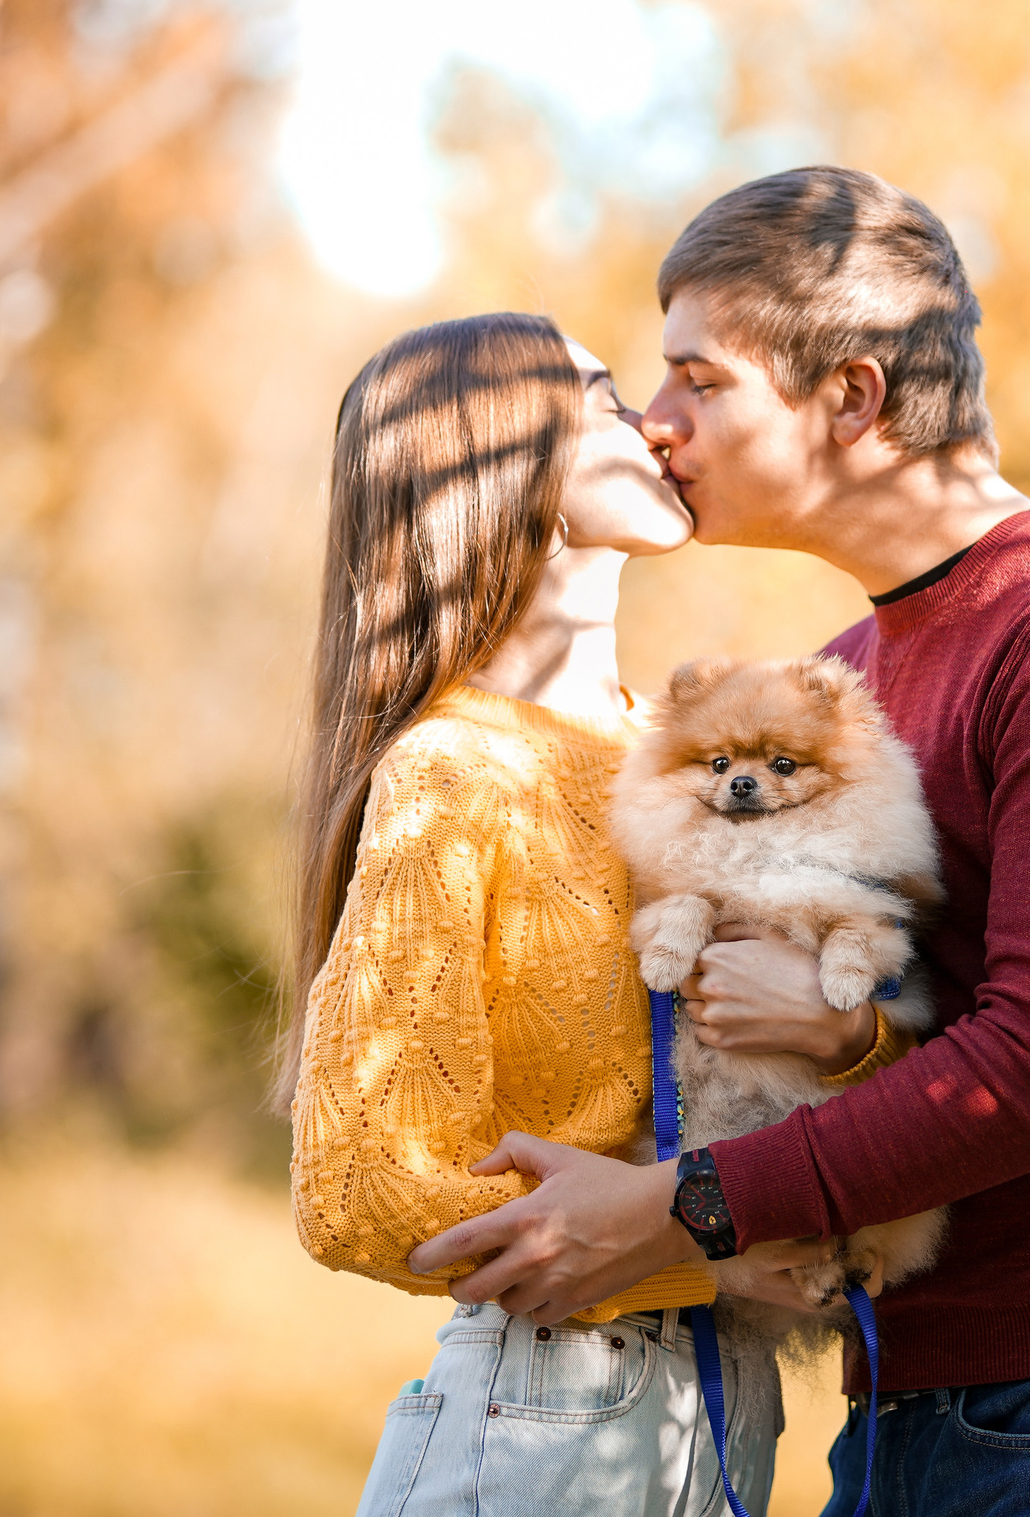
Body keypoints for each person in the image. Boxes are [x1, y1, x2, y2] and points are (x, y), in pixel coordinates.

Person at [405, 170, 1030, 1517]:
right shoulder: (849, 673)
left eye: (700, 377)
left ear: (852, 399)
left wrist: (676, 1207)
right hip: (911, 1387)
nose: (658, 417)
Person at [279, 310, 913, 1517]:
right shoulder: (455, 769)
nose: (658, 423)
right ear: (507, 461)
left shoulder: (663, 751)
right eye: (608, 397)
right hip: (551, 1409)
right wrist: (695, 1241)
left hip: (719, 1404)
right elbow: (358, 1187)